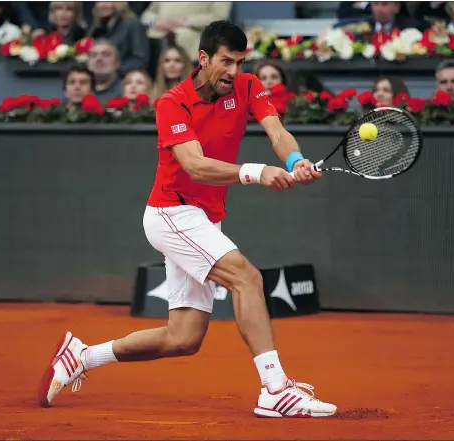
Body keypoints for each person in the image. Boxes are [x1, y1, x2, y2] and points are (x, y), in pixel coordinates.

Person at [37, 20, 337, 419]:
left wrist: (295, 161)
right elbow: (194, 166)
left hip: (203, 219)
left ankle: (83, 357)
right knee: (247, 278)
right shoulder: (172, 103)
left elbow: (276, 130)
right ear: (204, 58)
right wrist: (256, 172)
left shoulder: (247, 87)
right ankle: (276, 389)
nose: (233, 71)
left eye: (239, 62)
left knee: (183, 338)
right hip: (171, 212)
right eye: (226, 61)